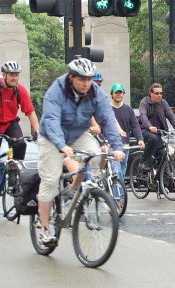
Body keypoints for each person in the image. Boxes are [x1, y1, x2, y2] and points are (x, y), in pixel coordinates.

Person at [37, 58, 125, 245]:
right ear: (71, 78)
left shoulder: (96, 93)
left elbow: (108, 120)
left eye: (89, 79)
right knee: (50, 180)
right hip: (52, 137)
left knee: (94, 156)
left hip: (77, 133)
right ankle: (44, 229)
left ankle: (73, 190)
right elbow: (51, 120)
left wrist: (117, 147)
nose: (86, 83)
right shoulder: (57, 90)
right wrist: (61, 145)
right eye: (81, 79)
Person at [138, 83, 175, 172]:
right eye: (156, 93)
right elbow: (143, 115)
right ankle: (144, 162)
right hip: (145, 131)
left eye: (161, 93)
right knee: (153, 139)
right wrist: (149, 126)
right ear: (151, 93)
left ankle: (163, 180)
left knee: (163, 154)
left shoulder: (163, 102)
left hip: (159, 133)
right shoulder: (144, 102)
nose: (159, 95)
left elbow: (170, 115)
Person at [0, 61, 39, 160]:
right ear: (4, 75)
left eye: (16, 75)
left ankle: (14, 168)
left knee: (20, 144)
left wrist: (37, 132)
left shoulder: (19, 89)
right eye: (12, 75)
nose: (15, 78)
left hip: (10, 123)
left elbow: (30, 111)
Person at [110, 83, 145, 181]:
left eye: (120, 92)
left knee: (122, 171)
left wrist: (140, 139)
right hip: (112, 146)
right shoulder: (107, 109)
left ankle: (117, 195)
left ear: (123, 94)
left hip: (125, 145)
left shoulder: (128, 109)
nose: (118, 95)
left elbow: (135, 126)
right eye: (116, 93)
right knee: (116, 172)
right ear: (112, 94)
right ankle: (118, 196)